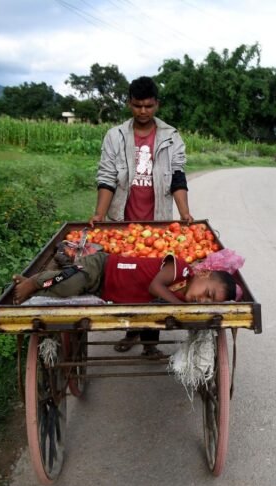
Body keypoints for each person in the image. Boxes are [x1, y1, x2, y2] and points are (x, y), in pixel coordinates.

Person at [88, 76, 193, 353]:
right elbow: (108, 177)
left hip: (158, 221)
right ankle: (130, 330)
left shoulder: (170, 136)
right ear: (129, 104)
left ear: (156, 104)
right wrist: (100, 214)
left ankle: (150, 342)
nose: (143, 112)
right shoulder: (116, 136)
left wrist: (184, 213)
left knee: (151, 277)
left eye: (148, 106)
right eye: (137, 106)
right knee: (127, 275)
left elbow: (178, 176)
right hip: (123, 221)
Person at [11, 252, 237, 357]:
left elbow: (155, 308)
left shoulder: (180, 299)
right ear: (204, 273)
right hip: (103, 267)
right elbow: (154, 288)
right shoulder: (181, 268)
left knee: (152, 312)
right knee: (69, 285)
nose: (203, 300)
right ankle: (36, 281)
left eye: (209, 302)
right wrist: (183, 309)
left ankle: (149, 348)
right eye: (207, 292)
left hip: (105, 291)